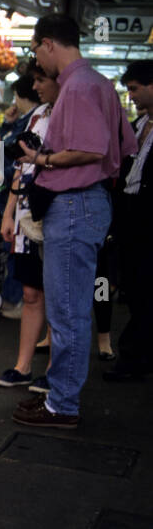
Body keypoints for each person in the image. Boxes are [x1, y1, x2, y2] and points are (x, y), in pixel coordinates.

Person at [12, 14, 136, 429]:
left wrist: (40, 159)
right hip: (88, 202)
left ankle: (62, 405)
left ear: (49, 44)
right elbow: (125, 144)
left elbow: (90, 148)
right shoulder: (99, 84)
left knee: (67, 311)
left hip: (77, 202)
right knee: (70, 309)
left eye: (35, 51)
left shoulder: (79, 86)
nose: (37, 63)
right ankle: (59, 393)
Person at [0, 63, 56, 389]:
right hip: (27, 212)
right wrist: (9, 213)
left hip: (57, 213)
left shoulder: (69, 114)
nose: (36, 86)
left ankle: (56, 372)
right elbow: (20, 166)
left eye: (40, 80)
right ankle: (22, 367)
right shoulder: (36, 117)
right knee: (31, 292)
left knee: (59, 295)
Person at [104, 62, 153, 381]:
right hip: (129, 216)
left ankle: (134, 359)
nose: (131, 95)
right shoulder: (139, 124)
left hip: (148, 218)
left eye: (135, 88)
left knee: (145, 287)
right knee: (134, 286)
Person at [0, 77, 42, 316]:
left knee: (16, 250)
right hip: (11, 194)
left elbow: (16, 162)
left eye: (15, 95)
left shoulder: (35, 122)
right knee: (13, 248)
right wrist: (7, 124)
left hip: (20, 196)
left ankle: (15, 299)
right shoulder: (25, 121)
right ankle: (15, 298)